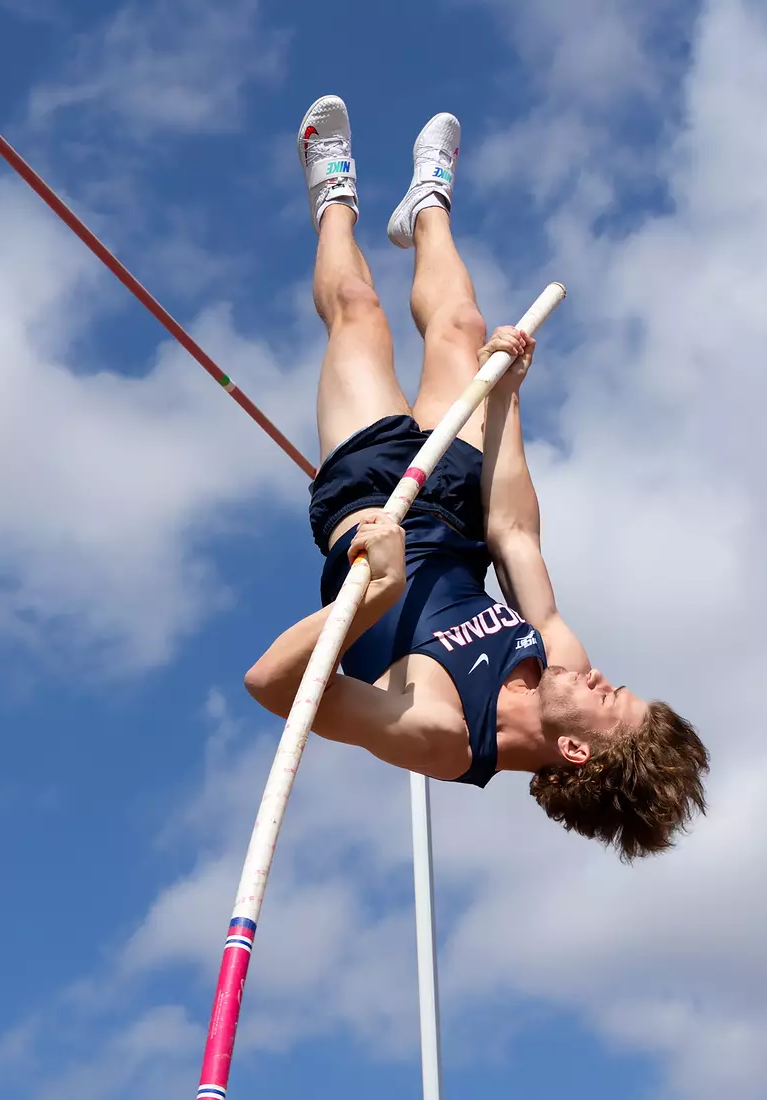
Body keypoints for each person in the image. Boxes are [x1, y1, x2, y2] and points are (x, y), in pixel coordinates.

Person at [244, 96, 708, 861]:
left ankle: (332, 199)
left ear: (579, 754)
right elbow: (514, 532)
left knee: (360, 312)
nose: (600, 681)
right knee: (464, 330)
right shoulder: (563, 662)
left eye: (609, 701)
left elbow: (275, 685)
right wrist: (508, 400)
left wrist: (380, 593)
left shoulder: (445, 735)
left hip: (370, 508)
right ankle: (428, 207)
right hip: (456, 498)